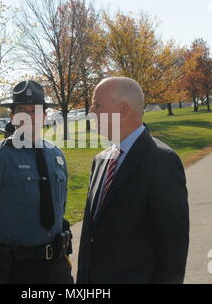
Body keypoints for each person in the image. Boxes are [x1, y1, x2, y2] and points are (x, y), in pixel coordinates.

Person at [77, 77, 189, 284]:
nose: (91, 111)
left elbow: (173, 251)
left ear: (123, 110)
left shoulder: (162, 161)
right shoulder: (100, 161)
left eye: (97, 105)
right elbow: (89, 238)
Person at [0, 80, 74, 284]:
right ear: (13, 116)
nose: (29, 117)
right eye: (23, 110)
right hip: (17, 269)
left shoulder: (56, 155)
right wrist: (0, 240)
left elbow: (61, 203)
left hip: (58, 268)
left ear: (44, 116)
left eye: (35, 111)